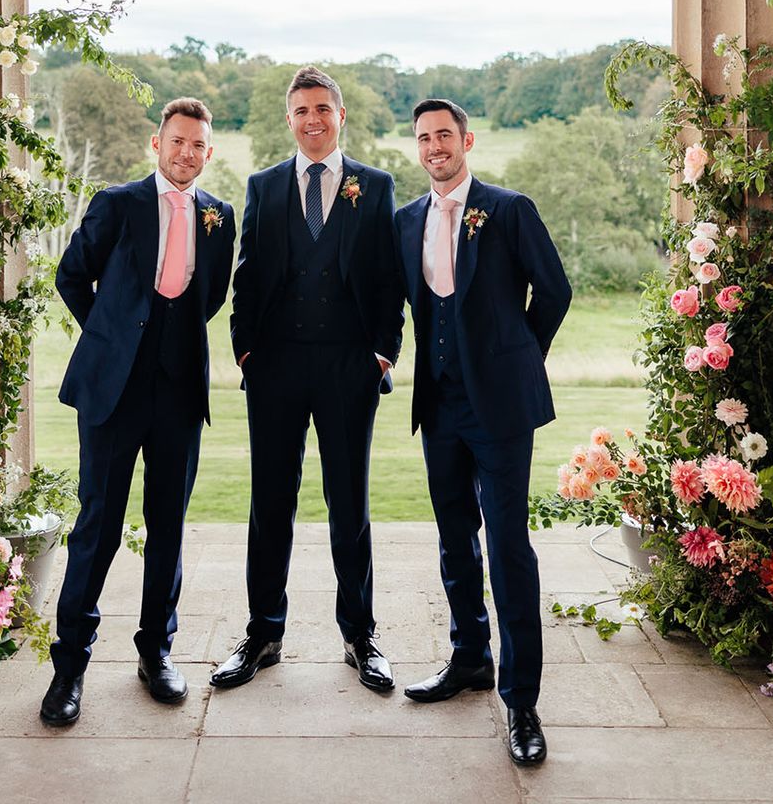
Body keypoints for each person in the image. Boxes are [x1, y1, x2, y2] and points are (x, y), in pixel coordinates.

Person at [40, 97, 236, 726]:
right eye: (177, 141)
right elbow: (72, 276)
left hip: (179, 391)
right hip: (113, 390)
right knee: (97, 525)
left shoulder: (219, 216)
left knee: (168, 525)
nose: (186, 153)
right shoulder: (118, 203)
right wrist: (112, 337)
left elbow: (212, 295)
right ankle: (70, 668)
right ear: (158, 143)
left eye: (198, 145)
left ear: (208, 152)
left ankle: (157, 652)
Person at [213, 66, 403, 693]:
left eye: (322, 108)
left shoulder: (375, 186)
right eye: (301, 110)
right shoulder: (263, 186)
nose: (312, 119)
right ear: (289, 119)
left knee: (349, 504)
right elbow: (247, 275)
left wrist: (382, 354)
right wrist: (245, 352)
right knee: (270, 503)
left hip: (350, 367)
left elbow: (388, 279)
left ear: (340, 116)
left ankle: (360, 636)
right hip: (275, 367)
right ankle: (263, 633)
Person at [393, 98, 571, 766]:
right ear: (417, 147)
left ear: (466, 141)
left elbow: (554, 291)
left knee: (507, 547)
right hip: (438, 406)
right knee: (454, 540)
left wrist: (519, 357)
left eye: (444, 134)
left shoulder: (509, 209)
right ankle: (470, 656)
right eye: (424, 138)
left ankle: (521, 701)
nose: (434, 146)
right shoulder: (405, 220)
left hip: (499, 409)